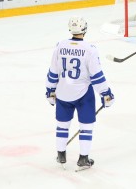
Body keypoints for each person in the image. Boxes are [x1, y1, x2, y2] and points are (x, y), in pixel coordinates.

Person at [45, 16, 114, 170]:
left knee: (62, 126)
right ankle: (83, 158)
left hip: (62, 92)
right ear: (85, 29)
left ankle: (61, 154)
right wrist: (106, 93)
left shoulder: (60, 46)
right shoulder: (90, 49)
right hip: (83, 95)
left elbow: (53, 72)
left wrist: (50, 90)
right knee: (86, 127)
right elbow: (96, 76)